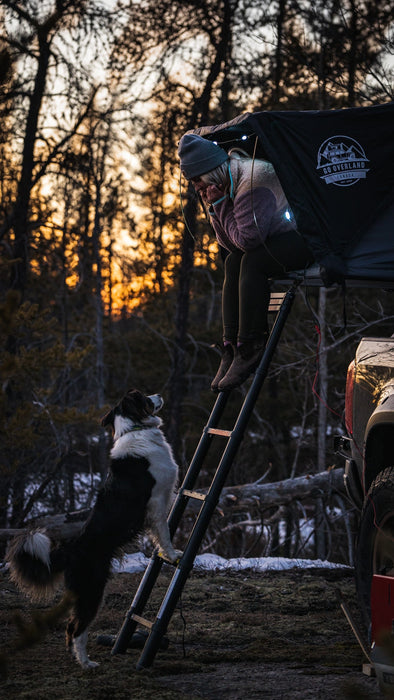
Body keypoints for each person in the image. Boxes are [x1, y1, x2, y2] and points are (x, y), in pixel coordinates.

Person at [178, 133, 314, 392]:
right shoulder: (228, 180)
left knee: (253, 262)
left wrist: (218, 204)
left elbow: (248, 241)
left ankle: (249, 346)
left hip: (306, 239)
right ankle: (230, 348)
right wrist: (217, 206)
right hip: (277, 236)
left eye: (197, 180)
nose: (197, 188)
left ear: (211, 170)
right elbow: (229, 246)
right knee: (232, 262)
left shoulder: (253, 181)